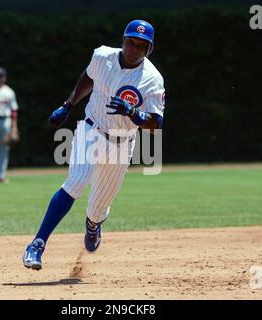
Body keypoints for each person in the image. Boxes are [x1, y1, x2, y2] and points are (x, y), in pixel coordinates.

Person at [23, 19, 165, 270]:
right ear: (123, 40)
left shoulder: (152, 79)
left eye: (141, 45)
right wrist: (68, 105)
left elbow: (156, 124)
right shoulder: (102, 56)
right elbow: (89, 77)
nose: (134, 48)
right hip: (92, 129)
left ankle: (93, 224)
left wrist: (135, 114)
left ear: (149, 49)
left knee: (98, 208)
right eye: (130, 41)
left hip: (122, 143)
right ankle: (37, 244)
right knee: (76, 182)